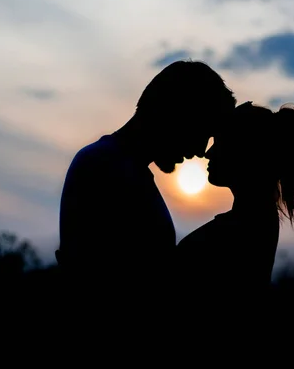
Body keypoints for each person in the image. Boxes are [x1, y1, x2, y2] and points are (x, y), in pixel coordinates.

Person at [56, 60, 236, 291]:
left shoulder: (118, 166)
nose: (201, 151)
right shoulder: (105, 166)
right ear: (177, 114)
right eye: (203, 132)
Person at [176, 101, 294, 298]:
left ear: (245, 152)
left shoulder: (241, 229)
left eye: (220, 143)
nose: (208, 153)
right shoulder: (259, 221)